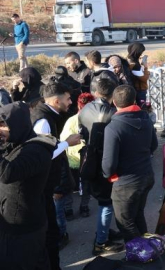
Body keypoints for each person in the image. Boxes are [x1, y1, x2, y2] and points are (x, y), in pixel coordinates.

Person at [0, 102, 57, 270]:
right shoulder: (15, 144)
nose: (0, 129)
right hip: (12, 223)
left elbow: (7, 174)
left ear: (16, 124)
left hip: (24, 227)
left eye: (3, 124)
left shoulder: (37, 149)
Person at [31, 81, 81, 270]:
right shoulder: (43, 121)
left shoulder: (49, 115)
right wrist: (67, 143)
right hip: (43, 186)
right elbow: (41, 155)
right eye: (67, 99)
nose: (70, 103)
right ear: (55, 100)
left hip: (47, 183)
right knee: (50, 233)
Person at [102, 85, 157, 242]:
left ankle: (141, 254)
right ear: (134, 100)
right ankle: (148, 253)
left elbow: (109, 163)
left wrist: (107, 175)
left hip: (126, 183)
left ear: (113, 102)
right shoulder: (146, 119)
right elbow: (153, 146)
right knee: (137, 215)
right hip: (146, 175)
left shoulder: (113, 127)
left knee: (125, 223)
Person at [78, 78, 124, 256]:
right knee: (107, 203)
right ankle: (101, 242)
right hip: (103, 160)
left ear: (97, 92)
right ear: (113, 94)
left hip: (89, 157)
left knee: (103, 201)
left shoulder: (86, 108)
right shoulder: (111, 113)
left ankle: (103, 232)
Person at [60, 93, 95, 220]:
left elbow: (63, 138)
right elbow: (64, 139)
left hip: (78, 159)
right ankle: (77, 207)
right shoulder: (76, 120)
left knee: (76, 185)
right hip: (79, 159)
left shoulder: (72, 120)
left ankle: (75, 208)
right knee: (79, 185)